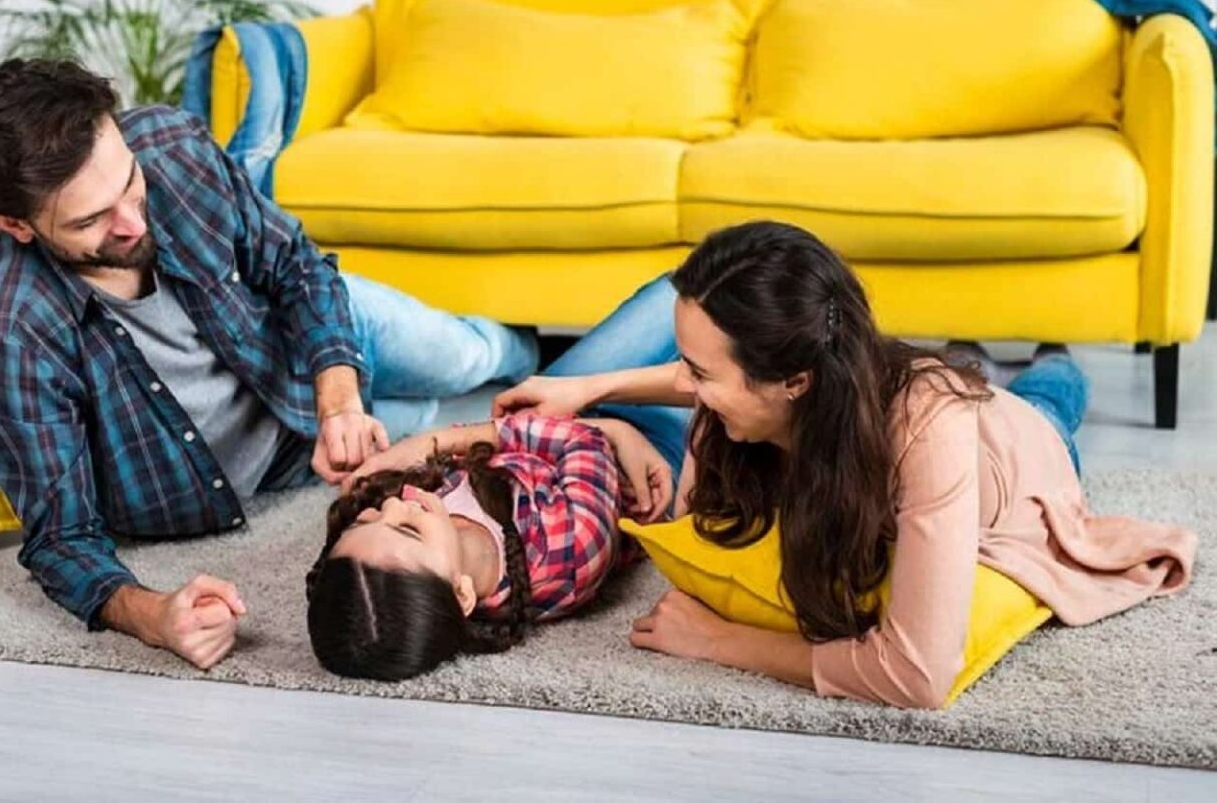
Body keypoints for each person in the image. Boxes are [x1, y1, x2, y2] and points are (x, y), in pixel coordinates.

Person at [0, 59, 538, 669]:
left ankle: (525, 349)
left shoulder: (172, 148)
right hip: (291, 457)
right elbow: (60, 537)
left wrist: (338, 396)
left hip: (309, 361)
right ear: (11, 223)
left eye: (128, 182)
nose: (132, 221)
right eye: (91, 220)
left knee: (468, 358)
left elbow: (295, 267)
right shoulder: (8, 334)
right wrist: (152, 617)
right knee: (440, 420)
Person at [494, 221, 1197, 709]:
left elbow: (918, 675)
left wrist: (722, 642)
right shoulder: (796, 385)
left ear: (792, 382)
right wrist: (590, 389)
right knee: (968, 381)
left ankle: (1057, 359)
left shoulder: (927, 430)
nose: (687, 386)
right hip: (907, 404)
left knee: (1048, 402)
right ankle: (1009, 367)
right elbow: (709, 382)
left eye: (700, 373)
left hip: (1019, 454)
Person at [304, 411, 673, 681]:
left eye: (366, 520)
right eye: (410, 530)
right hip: (651, 444)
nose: (393, 505)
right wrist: (432, 442)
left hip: (549, 416)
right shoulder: (568, 550)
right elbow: (587, 439)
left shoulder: (419, 532)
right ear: (461, 593)